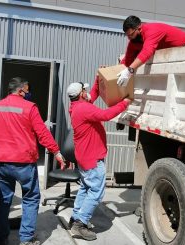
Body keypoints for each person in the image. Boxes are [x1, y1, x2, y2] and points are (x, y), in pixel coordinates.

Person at [0, 77, 66, 245]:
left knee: (2, 201)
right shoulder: (29, 107)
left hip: (0, 163)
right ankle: (26, 239)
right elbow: (42, 133)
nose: (29, 93)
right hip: (23, 162)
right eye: (27, 90)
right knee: (31, 198)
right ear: (20, 91)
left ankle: (1, 239)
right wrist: (56, 152)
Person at [67, 75, 131, 241]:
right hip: (92, 158)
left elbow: (92, 96)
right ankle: (80, 224)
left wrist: (99, 80)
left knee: (85, 188)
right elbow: (106, 115)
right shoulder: (84, 109)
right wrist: (125, 102)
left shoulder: (76, 106)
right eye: (85, 90)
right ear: (81, 94)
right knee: (96, 192)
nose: (88, 92)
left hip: (84, 157)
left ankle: (75, 217)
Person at [117, 15, 185, 86]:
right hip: (168, 54)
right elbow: (127, 60)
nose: (129, 38)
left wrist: (129, 70)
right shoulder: (133, 41)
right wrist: (111, 72)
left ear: (139, 28)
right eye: (127, 35)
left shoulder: (152, 31)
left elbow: (147, 52)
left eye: (131, 34)